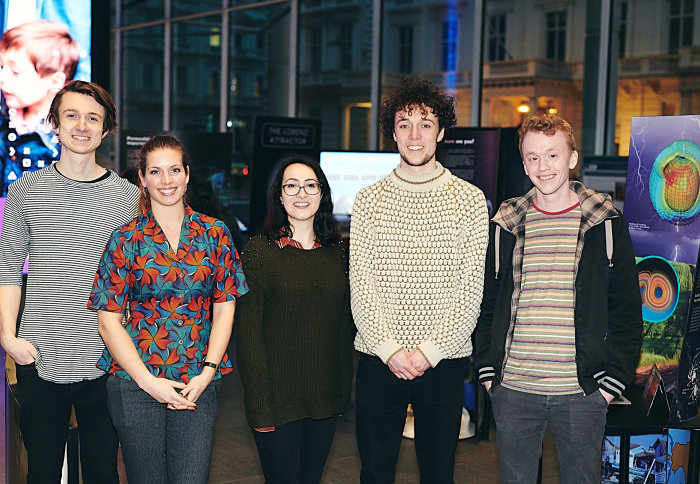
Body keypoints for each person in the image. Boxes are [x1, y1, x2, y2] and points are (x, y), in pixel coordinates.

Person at [474, 113, 642, 484]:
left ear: (572, 158)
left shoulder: (605, 223)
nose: (543, 166)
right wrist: (488, 372)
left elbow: (627, 311)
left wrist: (611, 384)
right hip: (513, 389)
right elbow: (489, 303)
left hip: (583, 391)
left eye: (552, 155)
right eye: (532, 157)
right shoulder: (506, 223)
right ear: (523, 163)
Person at [350, 75, 489, 483]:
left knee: (438, 473)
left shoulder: (469, 201)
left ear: (441, 132)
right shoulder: (368, 200)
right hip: (379, 359)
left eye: (425, 124)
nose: (415, 135)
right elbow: (361, 285)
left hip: (443, 363)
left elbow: (470, 291)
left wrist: (428, 352)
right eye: (405, 124)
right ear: (392, 132)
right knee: (375, 473)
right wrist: (390, 350)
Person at [87, 134, 249, 484]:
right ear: (142, 179)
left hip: (196, 381)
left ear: (187, 174)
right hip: (135, 382)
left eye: (174, 170)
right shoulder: (126, 239)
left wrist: (208, 372)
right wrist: (149, 383)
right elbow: (107, 322)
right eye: (155, 171)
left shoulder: (214, 233)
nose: (166, 180)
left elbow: (225, 309)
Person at [0, 80, 137, 483]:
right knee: (42, 471)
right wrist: (8, 338)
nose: (82, 125)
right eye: (72, 115)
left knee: (102, 472)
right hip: (39, 356)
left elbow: (136, 277)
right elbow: (7, 269)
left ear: (106, 129)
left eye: (93, 118)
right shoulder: (25, 191)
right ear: (55, 125)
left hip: (107, 358)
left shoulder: (128, 198)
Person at [235, 157, 354, 484]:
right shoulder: (260, 251)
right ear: (279, 195)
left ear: (322, 193)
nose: (301, 193)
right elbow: (249, 336)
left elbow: (341, 328)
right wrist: (260, 408)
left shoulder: (337, 252)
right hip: (276, 403)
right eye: (292, 186)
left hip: (325, 399)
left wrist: (342, 393)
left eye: (310, 185)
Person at [0, 20, 80, 195]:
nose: (2, 78)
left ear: (55, 81)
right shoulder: (5, 120)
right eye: (1, 67)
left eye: (15, 71)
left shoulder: (65, 141)